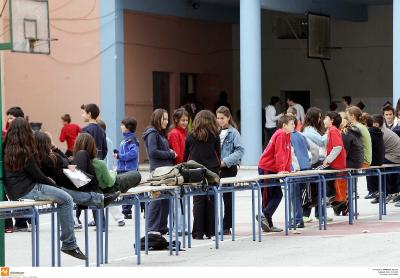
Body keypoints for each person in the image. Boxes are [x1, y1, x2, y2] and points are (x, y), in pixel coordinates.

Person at [4, 118, 87, 260]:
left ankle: (97, 199)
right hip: (29, 189)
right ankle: (69, 244)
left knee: (65, 194)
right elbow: (39, 176)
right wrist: (54, 186)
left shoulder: (6, 148)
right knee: (66, 199)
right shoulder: (25, 151)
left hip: (14, 192)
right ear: (25, 132)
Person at [184, 110, 221, 239]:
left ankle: (198, 232)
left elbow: (185, 156)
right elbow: (218, 154)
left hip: (195, 172)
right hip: (212, 171)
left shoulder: (190, 136)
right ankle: (211, 231)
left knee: (198, 201)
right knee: (211, 200)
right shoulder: (215, 135)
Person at [258, 115, 295, 232]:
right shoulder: (280, 134)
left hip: (273, 168)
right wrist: (280, 170)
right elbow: (279, 154)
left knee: (274, 195)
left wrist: (287, 170)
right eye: (292, 124)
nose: (294, 126)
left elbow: (287, 154)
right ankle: (264, 215)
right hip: (267, 167)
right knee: (270, 195)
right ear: (284, 126)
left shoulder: (287, 135)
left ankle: (267, 221)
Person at [143, 109, 176, 235]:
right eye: (164, 119)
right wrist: (171, 153)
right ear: (157, 118)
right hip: (157, 172)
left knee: (165, 200)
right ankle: (151, 229)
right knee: (156, 200)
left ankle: (162, 227)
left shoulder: (160, 133)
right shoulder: (152, 133)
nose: (167, 122)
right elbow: (153, 152)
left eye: (168, 119)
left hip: (166, 172)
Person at [216, 106, 244, 235]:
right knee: (215, 195)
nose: (219, 120)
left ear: (228, 117)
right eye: (218, 118)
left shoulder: (234, 133)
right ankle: (215, 223)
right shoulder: (215, 131)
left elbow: (240, 151)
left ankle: (227, 225)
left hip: (228, 167)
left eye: (222, 118)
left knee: (227, 197)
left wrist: (226, 161)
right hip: (216, 167)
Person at [289, 116, 318, 229]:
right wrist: (310, 161)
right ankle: (299, 218)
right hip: (306, 168)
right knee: (300, 195)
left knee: (294, 196)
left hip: (295, 169)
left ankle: (297, 219)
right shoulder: (302, 135)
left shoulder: (287, 136)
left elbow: (290, 154)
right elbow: (314, 149)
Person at [301, 107, 327, 222]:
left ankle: (319, 214)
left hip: (316, 161)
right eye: (319, 117)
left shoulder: (312, 129)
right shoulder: (309, 130)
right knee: (312, 189)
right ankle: (305, 214)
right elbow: (321, 141)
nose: (320, 119)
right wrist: (330, 131)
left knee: (318, 188)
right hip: (313, 162)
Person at [98, 119, 126, 227]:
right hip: (104, 171)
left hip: (105, 171)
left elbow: (109, 158)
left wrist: (109, 171)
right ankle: (100, 220)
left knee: (107, 195)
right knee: (103, 197)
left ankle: (119, 218)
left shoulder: (105, 141)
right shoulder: (105, 140)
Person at [113, 116, 140, 219]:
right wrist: (118, 153)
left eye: (122, 125)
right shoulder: (125, 140)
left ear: (127, 127)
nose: (120, 126)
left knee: (129, 191)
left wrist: (120, 156)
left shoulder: (132, 140)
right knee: (123, 191)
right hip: (122, 169)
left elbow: (133, 154)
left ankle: (127, 211)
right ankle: (125, 210)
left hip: (129, 170)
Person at [168, 108, 189, 235]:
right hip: (178, 170)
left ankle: (184, 226)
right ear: (176, 120)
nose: (185, 122)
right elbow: (178, 155)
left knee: (184, 200)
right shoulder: (174, 133)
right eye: (182, 120)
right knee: (178, 200)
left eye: (186, 120)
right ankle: (177, 228)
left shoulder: (185, 133)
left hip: (185, 169)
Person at [370, 114, 400, 205]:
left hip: (395, 157)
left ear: (375, 124)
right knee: (374, 164)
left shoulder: (380, 133)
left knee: (375, 164)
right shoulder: (381, 131)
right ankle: (382, 192)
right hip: (392, 155)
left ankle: (382, 193)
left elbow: (378, 150)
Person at [322, 112, 347, 207]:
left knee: (317, 171)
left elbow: (338, 147)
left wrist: (327, 160)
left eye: (326, 118)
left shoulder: (332, 130)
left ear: (331, 120)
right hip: (337, 163)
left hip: (336, 165)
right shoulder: (333, 130)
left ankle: (329, 195)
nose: (324, 120)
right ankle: (331, 195)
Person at [363, 115, 385, 201]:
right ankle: (374, 190)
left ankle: (372, 190)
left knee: (366, 164)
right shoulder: (377, 131)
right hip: (380, 159)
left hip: (374, 160)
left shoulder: (369, 133)